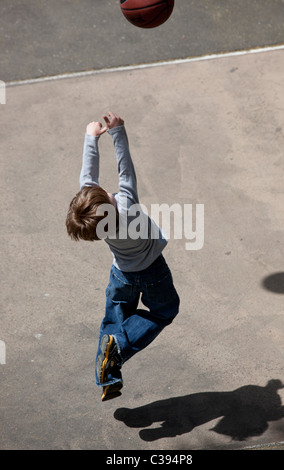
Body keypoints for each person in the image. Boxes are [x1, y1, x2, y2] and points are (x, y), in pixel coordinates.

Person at [66, 112, 180, 401]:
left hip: (121, 275)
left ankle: (109, 377)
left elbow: (89, 177)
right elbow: (125, 169)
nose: (102, 187)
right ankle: (118, 346)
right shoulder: (127, 206)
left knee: (114, 321)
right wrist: (113, 132)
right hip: (153, 272)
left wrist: (91, 137)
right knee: (163, 311)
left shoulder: (99, 222)